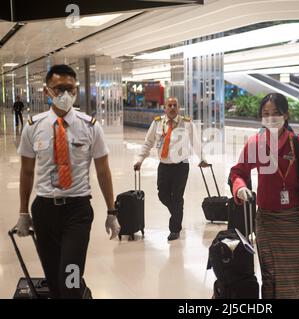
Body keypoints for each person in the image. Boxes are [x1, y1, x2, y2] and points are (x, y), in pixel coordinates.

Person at [15, 64, 121, 299]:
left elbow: (103, 171)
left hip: (77, 211)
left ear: (76, 91)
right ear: (47, 92)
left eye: (69, 89)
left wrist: (112, 211)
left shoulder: (90, 126)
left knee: (71, 279)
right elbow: (26, 172)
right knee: (54, 282)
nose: (64, 94)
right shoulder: (33, 127)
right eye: (58, 88)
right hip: (44, 211)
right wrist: (24, 212)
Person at [229, 93, 299, 299]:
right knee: (270, 273)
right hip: (267, 220)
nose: (271, 118)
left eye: (276, 113)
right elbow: (238, 172)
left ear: (285, 115)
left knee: (294, 272)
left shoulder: (298, 142)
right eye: (265, 114)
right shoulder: (256, 143)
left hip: (294, 220)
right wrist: (240, 187)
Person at [134, 97, 208, 241]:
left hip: (181, 166)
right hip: (164, 165)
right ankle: (177, 213)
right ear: (165, 108)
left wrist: (202, 159)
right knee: (163, 195)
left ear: (178, 108)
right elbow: (148, 142)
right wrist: (140, 160)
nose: (172, 107)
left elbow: (195, 143)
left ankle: (175, 229)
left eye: (175, 105)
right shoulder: (157, 123)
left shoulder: (187, 123)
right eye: (169, 105)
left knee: (177, 197)